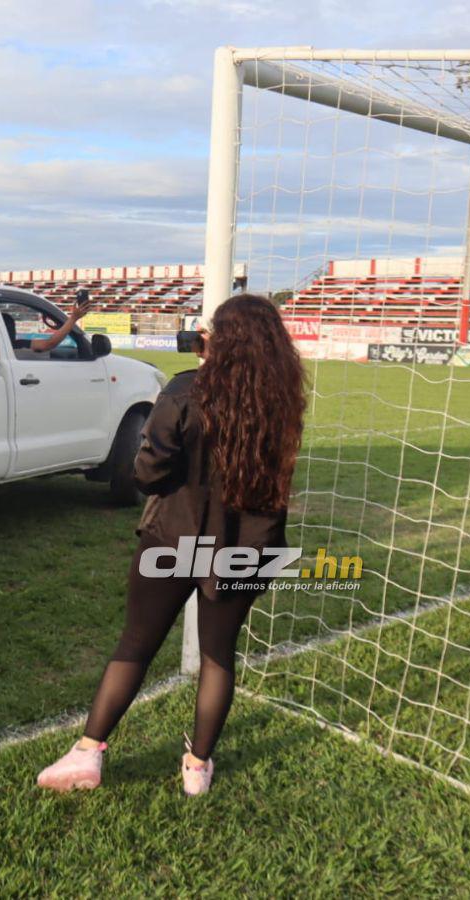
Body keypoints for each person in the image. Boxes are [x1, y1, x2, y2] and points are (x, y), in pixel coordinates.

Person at [36, 294, 307, 797]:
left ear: (220, 340)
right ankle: (198, 766)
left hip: (175, 538)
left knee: (136, 646)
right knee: (219, 656)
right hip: (248, 545)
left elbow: (148, 473)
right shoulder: (284, 400)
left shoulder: (186, 391)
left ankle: (89, 753)